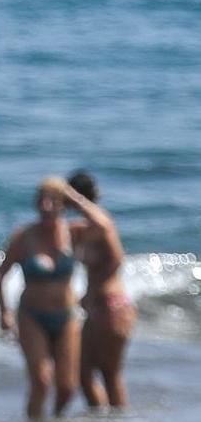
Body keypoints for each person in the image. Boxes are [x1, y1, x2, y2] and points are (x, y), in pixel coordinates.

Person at [0, 177, 82, 419]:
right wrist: (4, 312)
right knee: (42, 381)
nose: (45, 206)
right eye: (41, 200)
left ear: (63, 205)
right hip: (32, 316)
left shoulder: (74, 233)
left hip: (67, 317)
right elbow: (0, 276)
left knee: (67, 388)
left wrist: (75, 197)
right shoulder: (24, 237)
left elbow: (105, 226)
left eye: (53, 200)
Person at [66, 170, 136, 409]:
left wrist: (74, 198)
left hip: (112, 306)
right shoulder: (82, 228)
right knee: (82, 372)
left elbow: (118, 259)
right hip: (97, 308)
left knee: (110, 373)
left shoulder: (102, 222)